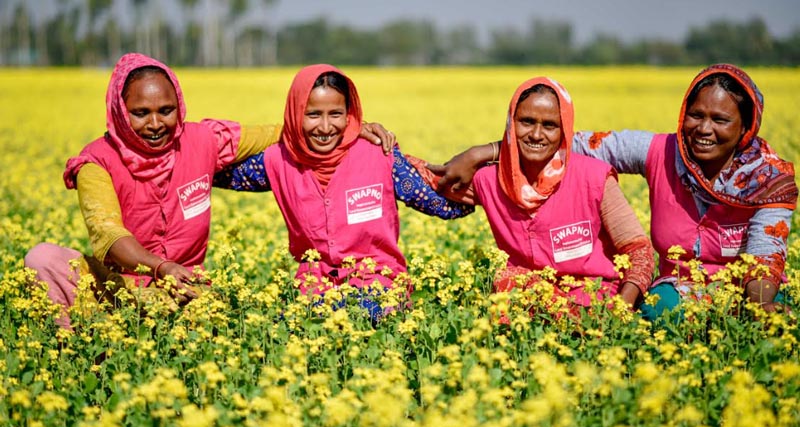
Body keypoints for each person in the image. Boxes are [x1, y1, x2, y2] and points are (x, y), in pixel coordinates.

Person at [24, 53, 395, 330]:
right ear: (120, 111)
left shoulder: (202, 140)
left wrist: (349, 129)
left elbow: (282, 133)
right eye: (141, 113)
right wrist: (161, 267)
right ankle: (68, 347)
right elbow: (109, 236)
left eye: (167, 110)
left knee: (244, 324)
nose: (156, 123)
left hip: (187, 292)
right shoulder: (96, 163)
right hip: (120, 286)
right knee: (43, 258)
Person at [433, 64, 797, 318]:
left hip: (750, 291)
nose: (703, 129)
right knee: (661, 313)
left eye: (720, 120)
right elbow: (558, 141)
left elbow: (766, 254)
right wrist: (484, 153)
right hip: (680, 290)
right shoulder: (661, 152)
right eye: (695, 115)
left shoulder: (770, 179)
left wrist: (760, 306)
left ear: (746, 126)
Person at [213, 64, 474, 323]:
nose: (325, 127)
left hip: (378, 284)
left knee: (356, 319)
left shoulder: (379, 155)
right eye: (312, 114)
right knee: (286, 330)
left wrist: (490, 178)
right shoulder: (277, 161)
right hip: (313, 288)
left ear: (349, 114)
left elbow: (438, 203)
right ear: (295, 115)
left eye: (335, 114)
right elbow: (207, 167)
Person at [412, 77, 655, 314]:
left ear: (564, 130)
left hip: (595, 302)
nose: (537, 134)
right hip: (528, 304)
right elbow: (428, 179)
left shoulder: (594, 178)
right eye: (526, 122)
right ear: (511, 123)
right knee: (508, 282)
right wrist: (378, 142)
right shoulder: (490, 180)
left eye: (549, 125)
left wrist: (620, 310)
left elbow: (638, 250)